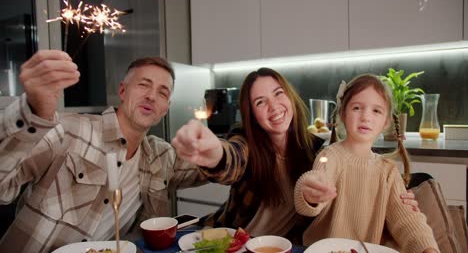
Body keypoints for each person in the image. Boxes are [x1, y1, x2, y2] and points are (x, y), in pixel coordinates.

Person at [171, 68, 419, 244]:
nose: (274, 106)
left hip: (284, 246)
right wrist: (214, 152)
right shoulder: (245, 141)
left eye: (278, 93)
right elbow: (231, 159)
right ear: (251, 114)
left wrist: (397, 200)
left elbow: (357, 189)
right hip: (234, 241)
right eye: (260, 102)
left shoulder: (317, 151)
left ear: (289, 96)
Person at [0, 50, 206, 252]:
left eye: (162, 92)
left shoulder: (161, 156)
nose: (152, 96)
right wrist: (32, 112)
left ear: (166, 108)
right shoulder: (70, 130)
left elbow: (215, 167)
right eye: (144, 85)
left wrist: (220, 147)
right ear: (123, 91)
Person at [294, 74, 439, 252]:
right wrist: (309, 195)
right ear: (342, 113)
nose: (365, 117)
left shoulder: (388, 171)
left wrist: (426, 248)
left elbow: (406, 219)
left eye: (376, 110)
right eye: (357, 108)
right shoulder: (330, 156)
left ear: (385, 122)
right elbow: (315, 183)